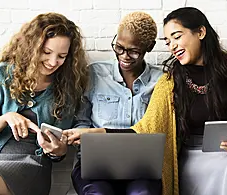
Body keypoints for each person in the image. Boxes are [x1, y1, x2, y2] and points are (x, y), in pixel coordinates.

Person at [65, 7, 227, 195]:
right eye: (168, 42)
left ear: (201, 32)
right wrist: (98, 132)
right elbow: (147, 128)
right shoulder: (170, 82)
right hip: (194, 156)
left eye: (177, 37)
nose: (172, 46)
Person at [0, 13, 90, 195]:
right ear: (32, 47)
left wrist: (59, 150)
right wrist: (6, 118)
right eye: (46, 53)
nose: (53, 62)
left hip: (31, 164)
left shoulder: (71, 87)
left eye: (62, 56)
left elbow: (78, 132)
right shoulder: (0, 75)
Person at [64, 12, 163, 195]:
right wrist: (80, 136)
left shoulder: (161, 81)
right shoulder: (94, 74)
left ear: (150, 47)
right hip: (96, 168)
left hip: (142, 169)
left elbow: (160, 129)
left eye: (133, 51)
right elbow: (81, 121)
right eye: (119, 48)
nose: (124, 56)